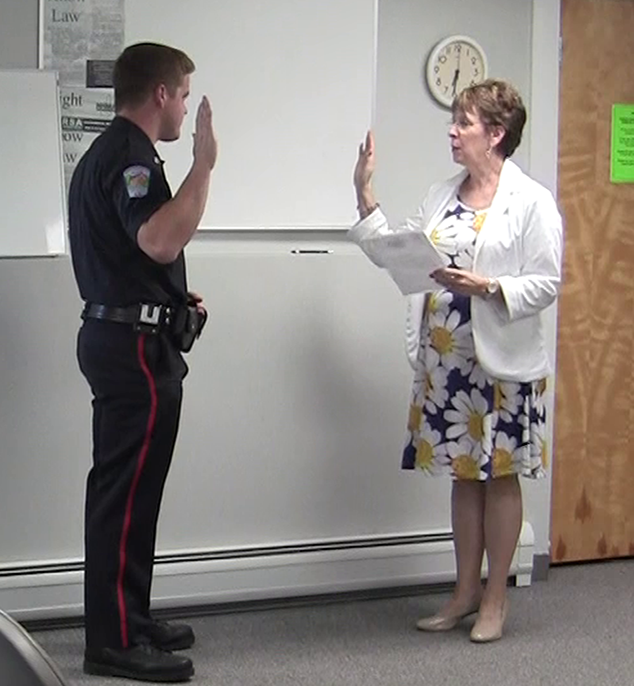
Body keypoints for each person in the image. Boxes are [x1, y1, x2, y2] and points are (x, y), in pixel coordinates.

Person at [350, 79, 562, 643]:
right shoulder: (442, 194)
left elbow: (546, 283)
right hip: (448, 364)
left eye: (464, 122)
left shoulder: (532, 201)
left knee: (501, 477)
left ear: (495, 134)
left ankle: (496, 597)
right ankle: (464, 591)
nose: (452, 129)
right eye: (454, 120)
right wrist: (365, 198)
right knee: (464, 477)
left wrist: (488, 286)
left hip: (504, 369)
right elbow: (402, 254)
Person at [67, 42, 217, 681]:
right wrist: (204, 166)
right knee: (124, 494)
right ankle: (115, 640)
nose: (185, 106)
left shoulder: (109, 152)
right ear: (160, 94)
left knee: (130, 490)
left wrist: (171, 298)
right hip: (132, 352)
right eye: (183, 93)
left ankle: (129, 615)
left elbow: (131, 256)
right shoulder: (131, 157)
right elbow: (157, 239)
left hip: (126, 337)